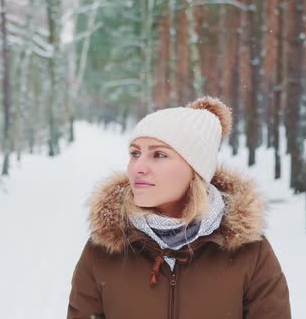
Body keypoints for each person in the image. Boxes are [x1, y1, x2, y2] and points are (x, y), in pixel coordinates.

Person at [67, 96, 291, 318]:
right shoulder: (105, 248)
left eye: (159, 154)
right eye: (135, 153)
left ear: (196, 170)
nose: (138, 168)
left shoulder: (249, 252)